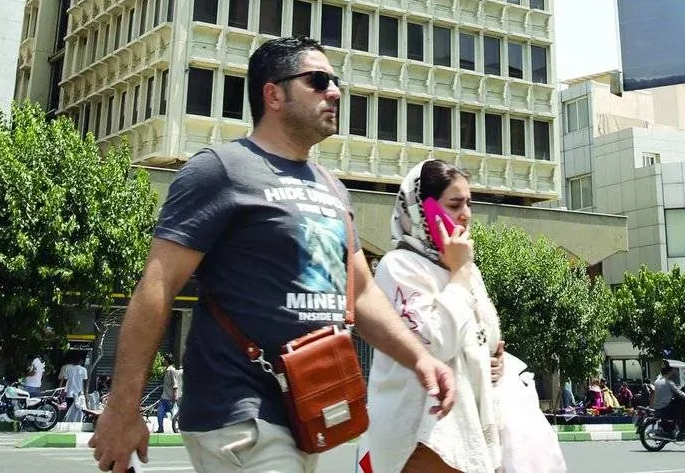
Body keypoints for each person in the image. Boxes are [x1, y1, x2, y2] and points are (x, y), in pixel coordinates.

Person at [88, 37, 456, 473]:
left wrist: (420, 358)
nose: (334, 92)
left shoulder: (331, 187)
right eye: (317, 81)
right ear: (273, 93)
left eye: (335, 82)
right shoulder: (220, 169)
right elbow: (158, 285)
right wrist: (122, 408)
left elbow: (360, 295)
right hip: (238, 411)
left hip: (308, 408)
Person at [365, 159, 505, 473]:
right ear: (422, 210)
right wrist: (458, 275)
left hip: (471, 433)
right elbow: (433, 345)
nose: (466, 214)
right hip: (424, 437)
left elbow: (489, 336)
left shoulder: (466, 269)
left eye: (469, 203)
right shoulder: (399, 266)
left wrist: (495, 357)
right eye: (454, 204)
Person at [651, 365, 685, 438]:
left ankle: (675, 428)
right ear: (669, 373)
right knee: (684, 409)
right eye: (671, 372)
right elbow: (679, 392)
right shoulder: (669, 382)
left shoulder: (657, 381)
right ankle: (683, 431)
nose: (672, 373)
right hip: (665, 406)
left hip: (658, 406)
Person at [157, 354, 182, 433]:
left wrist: (174, 398)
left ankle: (180, 427)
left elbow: (175, 385)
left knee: (175, 417)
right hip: (164, 397)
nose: (163, 361)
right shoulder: (167, 370)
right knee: (159, 413)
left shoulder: (172, 371)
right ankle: (160, 429)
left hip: (170, 399)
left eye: (164, 360)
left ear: (167, 361)